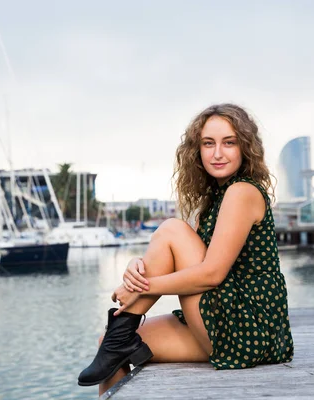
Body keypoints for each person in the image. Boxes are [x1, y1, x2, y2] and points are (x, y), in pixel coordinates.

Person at [78, 104, 294, 394]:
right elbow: (177, 254)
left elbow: (211, 274)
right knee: (110, 345)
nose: (217, 153)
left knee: (172, 228)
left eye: (229, 142)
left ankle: (121, 332)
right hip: (230, 319)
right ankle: (119, 336)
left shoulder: (242, 191)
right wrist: (136, 265)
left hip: (249, 327)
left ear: (245, 147)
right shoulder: (217, 197)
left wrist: (142, 287)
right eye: (208, 143)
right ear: (197, 150)